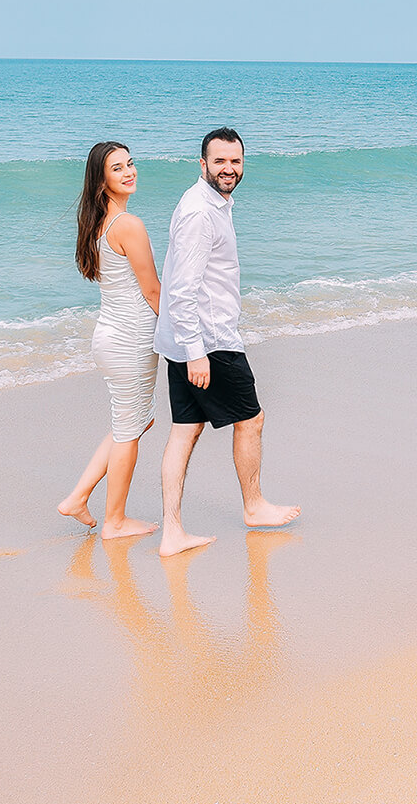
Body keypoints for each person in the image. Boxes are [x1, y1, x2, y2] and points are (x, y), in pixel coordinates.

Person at [152, 127, 300, 556]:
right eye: (219, 161)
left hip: (186, 339)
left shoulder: (209, 203)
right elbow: (181, 290)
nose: (228, 169)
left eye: (235, 161)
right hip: (209, 342)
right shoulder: (201, 213)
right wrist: (198, 353)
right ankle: (253, 506)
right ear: (203, 165)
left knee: (184, 430)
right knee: (250, 420)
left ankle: (172, 532)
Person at [57, 141, 162, 539]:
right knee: (129, 430)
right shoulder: (128, 226)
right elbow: (152, 291)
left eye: (131, 163)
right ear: (101, 180)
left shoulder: (96, 224)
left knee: (135, 420)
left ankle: (78, 498)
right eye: (117, 168)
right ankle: (115, 521)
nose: (129, 172)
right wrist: (185, 337)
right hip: (131, 340)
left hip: (110, 337)